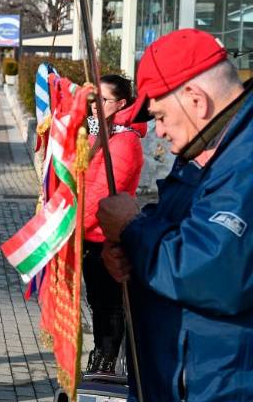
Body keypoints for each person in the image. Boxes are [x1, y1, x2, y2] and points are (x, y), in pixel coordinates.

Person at [96, 28, 253, 400]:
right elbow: (182, 224)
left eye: (161, 116)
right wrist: (128, 250)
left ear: (196, 100)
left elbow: (212, 269)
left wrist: (133, 228)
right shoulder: (209, 150)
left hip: (220, 385)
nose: (159, 132)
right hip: (184, 377)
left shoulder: (244, 160)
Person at [82, 75, 146, 374]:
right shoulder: (101, 132)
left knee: (108, 304)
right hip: (88, 233)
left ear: (121, 103)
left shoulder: (126, 139)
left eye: (103, 101)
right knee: (97, 302)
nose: (96, 107)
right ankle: (100, 355)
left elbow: (102, 195)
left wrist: (73, 224)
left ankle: (106, 362)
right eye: (93, 100)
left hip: (104, 236)